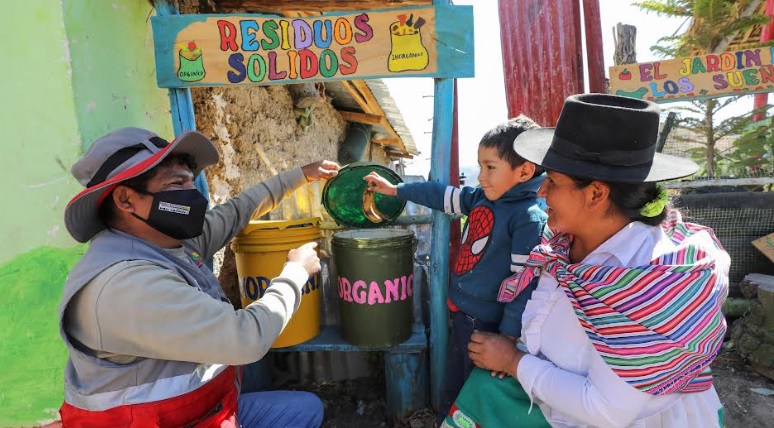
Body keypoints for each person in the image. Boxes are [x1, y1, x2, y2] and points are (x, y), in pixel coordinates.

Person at [459, 94, 728, 427]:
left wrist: (513, 362)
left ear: (596, 193)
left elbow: (606, 409)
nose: (541, 191)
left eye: (552, 180)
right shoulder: (563, 246)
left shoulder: (648, 280)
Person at [58, 127, 339, 427]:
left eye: (191, 181)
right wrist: (296, 272)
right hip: (157, 422)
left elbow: (238, 211)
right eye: (176, 183)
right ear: (126, 199)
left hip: (203, 411)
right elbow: (247, 338)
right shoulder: (125, 286)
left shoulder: (167, 242)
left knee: (303, 408)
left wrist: (301, 176)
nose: (192, 194)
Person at [363, 116, 548, 423]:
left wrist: (508, 337)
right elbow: (440, 195)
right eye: (480, 166)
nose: (481, 176)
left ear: (524, 172)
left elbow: (523, 284)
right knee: (454, 382)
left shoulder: (527, 218)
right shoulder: (481, 198)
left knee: (472, 391)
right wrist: (396, 190)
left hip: (488, 327)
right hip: (463, 315)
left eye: (490, 167)